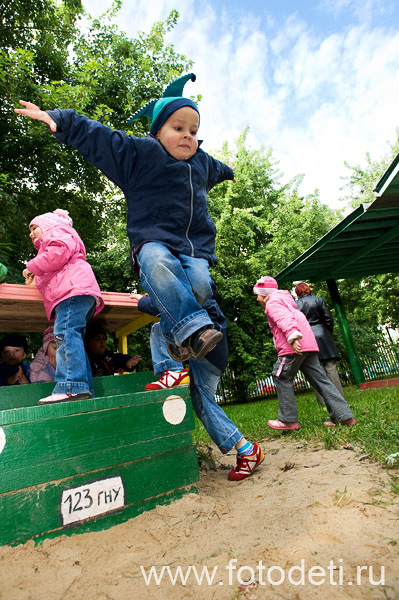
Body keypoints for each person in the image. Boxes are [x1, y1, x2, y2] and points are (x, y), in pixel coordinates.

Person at [14, 73, 234, 363]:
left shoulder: (202, 162)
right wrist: (62, 120)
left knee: (202, 287)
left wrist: (228, 171)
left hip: (194, 247)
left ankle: (171, 335)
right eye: (178, 127)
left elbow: (218, 169)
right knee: (159, 264)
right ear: (157, 131)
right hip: (152, 240)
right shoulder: (140, 154)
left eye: (193, 132)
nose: (187, 136)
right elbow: (101, 138)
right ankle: (192, 330)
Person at [130, 291, 264, 481]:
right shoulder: (196, 286)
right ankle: (246, 449)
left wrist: (144, 302)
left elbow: (169, 305)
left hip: (208, 352)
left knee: (160, 327)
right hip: (209, 353)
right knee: (201, 402)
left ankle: (172, 371)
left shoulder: (187, 285)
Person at [22, 209, 104, 404]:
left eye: (34, 228)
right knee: (72, 337)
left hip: (72, 292)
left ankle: (69, 386)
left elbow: (58, 252)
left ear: (49, 225)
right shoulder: (56, 244)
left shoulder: (57, 232)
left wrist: (31, 266)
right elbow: (54, 265)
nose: (31, 233)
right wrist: (36, 277)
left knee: (65, 333)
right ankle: (83, 389)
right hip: (78, 291)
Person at [253, 276, 356, 429]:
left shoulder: (273, 303)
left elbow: (284, 319)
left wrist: (293, 337)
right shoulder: (286, 301)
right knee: (321, 379)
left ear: (264, 293)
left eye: (257, 295)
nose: (256, 299)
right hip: (309, 345)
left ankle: (288, 420)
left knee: (281, 376)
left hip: (293, 346)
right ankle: (344, 416)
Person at [295, 282, 345, 406]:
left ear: (297, 292)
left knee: (315, 370)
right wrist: (327, 332)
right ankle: (339, 398)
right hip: (323, 335)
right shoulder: (319, 300)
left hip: (307, 337)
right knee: (331, 367)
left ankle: (322, 401)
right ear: (308, 290)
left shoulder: (295, 305)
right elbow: (328, 318)